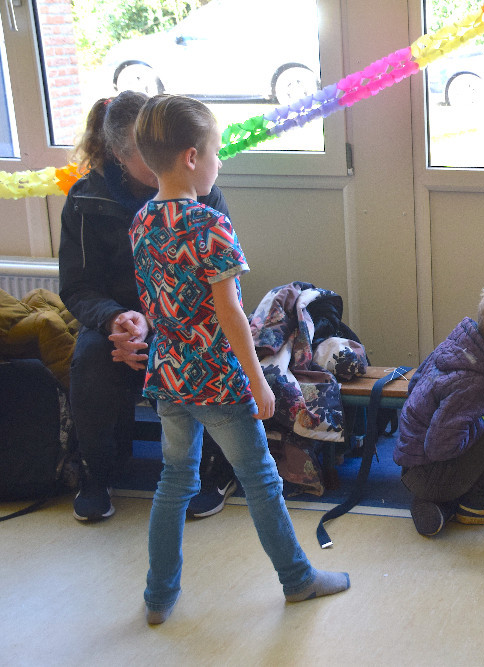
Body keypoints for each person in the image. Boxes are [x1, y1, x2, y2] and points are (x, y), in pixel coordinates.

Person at [130, 94, 349, 624]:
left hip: (168, 375)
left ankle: (158, 596)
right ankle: (298, 580)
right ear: (191, 157)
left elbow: (158, 302)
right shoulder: (208, 224)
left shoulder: (141, 221)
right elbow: (229, 314)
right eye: (215, 153)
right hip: (216, 379)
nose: (219, 164)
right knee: (261, 480)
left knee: (174, 480)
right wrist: (259, 380)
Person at [59, 92, 237, 522]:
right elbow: (78, 286)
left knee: (202, 356)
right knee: (91, 362)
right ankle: (97, 473)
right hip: (117, 323)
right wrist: (115, 321)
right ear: (120, 155)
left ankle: (213, 469)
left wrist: (155, 322)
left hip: (185, 318)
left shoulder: (202, 193)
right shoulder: (85, 199)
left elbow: (218, 285)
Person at [393, 284, 484, 536]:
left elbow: (415, 384)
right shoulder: (479, 384)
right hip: (431, 473)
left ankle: (440, 505)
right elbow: (440, 448)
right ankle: (475, 503)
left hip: (415, 468)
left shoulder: (459, 346)